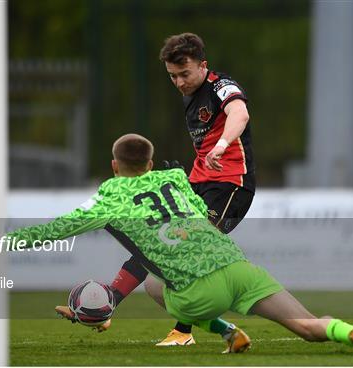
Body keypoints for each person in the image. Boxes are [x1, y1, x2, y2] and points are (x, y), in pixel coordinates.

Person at [0, 134, 353, 356]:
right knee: (309, 326)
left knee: (153, 284)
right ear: (151, 162)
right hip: (240, 268)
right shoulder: (174, 178)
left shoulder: (110, 196)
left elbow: (52, 230)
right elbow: (193, 206)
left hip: (197, 291)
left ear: (114, 165)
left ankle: (221, 329)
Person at [110, 32, 258, 347]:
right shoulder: (188, 94)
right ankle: (107, 303)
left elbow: (239, 113)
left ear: (203, 65)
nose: (179, 82)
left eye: (185, 73)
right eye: (172, 76)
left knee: (188, 250)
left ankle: (183, 333)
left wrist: (221, 145)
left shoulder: (221, 86)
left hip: (231, 185)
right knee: (155, 244)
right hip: (198, 184)